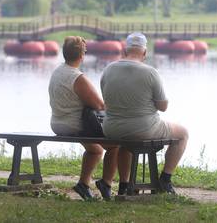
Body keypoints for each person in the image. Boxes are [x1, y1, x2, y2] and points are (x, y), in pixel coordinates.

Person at [100, 32, 188, 195]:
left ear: (125, 51)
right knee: (183, 133)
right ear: (145, 53)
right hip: (143, 129)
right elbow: (162, 107)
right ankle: (165, 180)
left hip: (111, 128)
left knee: (125, 142)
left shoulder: (108, 69)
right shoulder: (150, 72)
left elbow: (106, 100)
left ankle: (124, 185)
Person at [49, 36, 118, 200]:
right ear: (82, 56)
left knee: (95, 149)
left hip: (57, 123)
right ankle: (106, 183)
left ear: (65, 53)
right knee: (116, 146)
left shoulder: (58, 71)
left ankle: (83, 184)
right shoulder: (77, 77)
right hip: (75, 125)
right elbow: (99, 105)